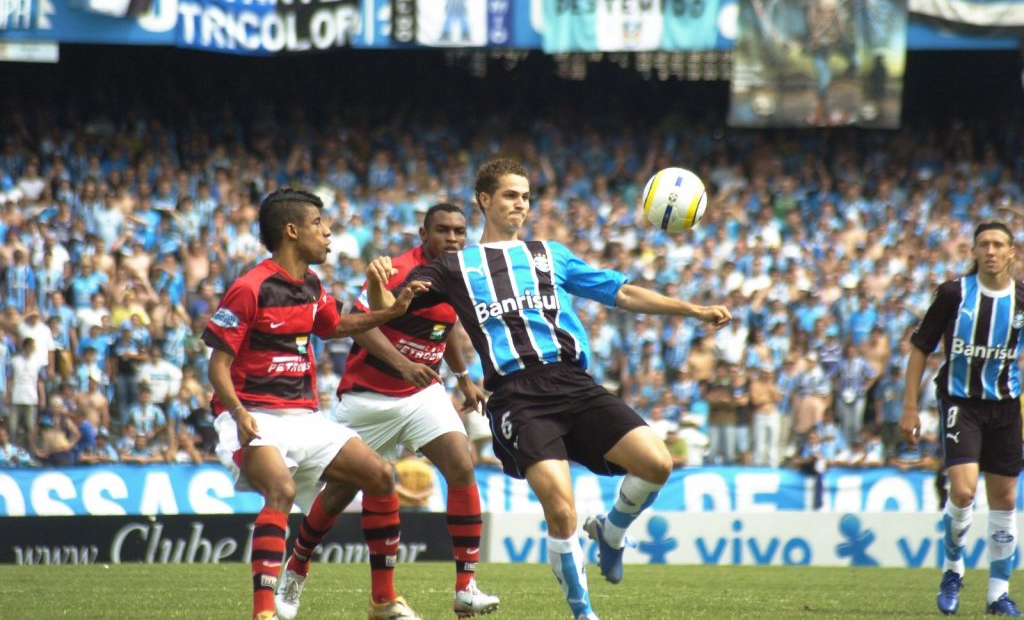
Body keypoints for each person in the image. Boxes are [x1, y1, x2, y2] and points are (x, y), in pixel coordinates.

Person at [368, 158, 731, 620]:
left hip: (573, 383)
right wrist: (378, 283)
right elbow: (391, 309)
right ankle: (584, 614)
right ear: (485, 200)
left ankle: (612, 532)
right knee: (562, 511)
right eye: (509, 195)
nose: (520, 204)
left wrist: (693, 310)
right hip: (517, 396)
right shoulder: (454, 266)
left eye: (525, 196)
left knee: (658, 462)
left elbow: (621, 293)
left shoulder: (549, 254)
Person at [202, 189, 428, 620]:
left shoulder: (310, 285)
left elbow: (337, 325)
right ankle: (264, 612)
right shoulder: (250, 288)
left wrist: (393, 312)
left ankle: (383, 600)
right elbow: (218, 366)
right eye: (319, 223)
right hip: (253, 414)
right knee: (280, 490)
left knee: (380, 475)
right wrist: (238, 413)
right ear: (292, 230)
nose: (328, 232)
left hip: (305, 416)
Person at [275, 203, 499, 620]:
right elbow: (359, 320)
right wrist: (402, 363)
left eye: (459, 231)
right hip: (367, 398)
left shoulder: (463, 273)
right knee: (339, 495)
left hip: (421, 394)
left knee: (462, 464)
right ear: (423, 233)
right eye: (443, 230)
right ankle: (297, 564)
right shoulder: (395, 270)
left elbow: (444, 324)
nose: (452, 238)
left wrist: (464, 376)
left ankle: (465, 586)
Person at [900, 220, 1024, 617]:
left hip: (1006, 407)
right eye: (983, 244)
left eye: (998, 244)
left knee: (1004, 499)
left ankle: (997, 594)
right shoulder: (954, 293)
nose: (990, 251)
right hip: (961, 402)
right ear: (972, 251)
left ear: (1011, 253)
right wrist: (908, 407)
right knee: (965, 491)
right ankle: (952, 570)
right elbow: (920, 348)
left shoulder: (1021, 299)